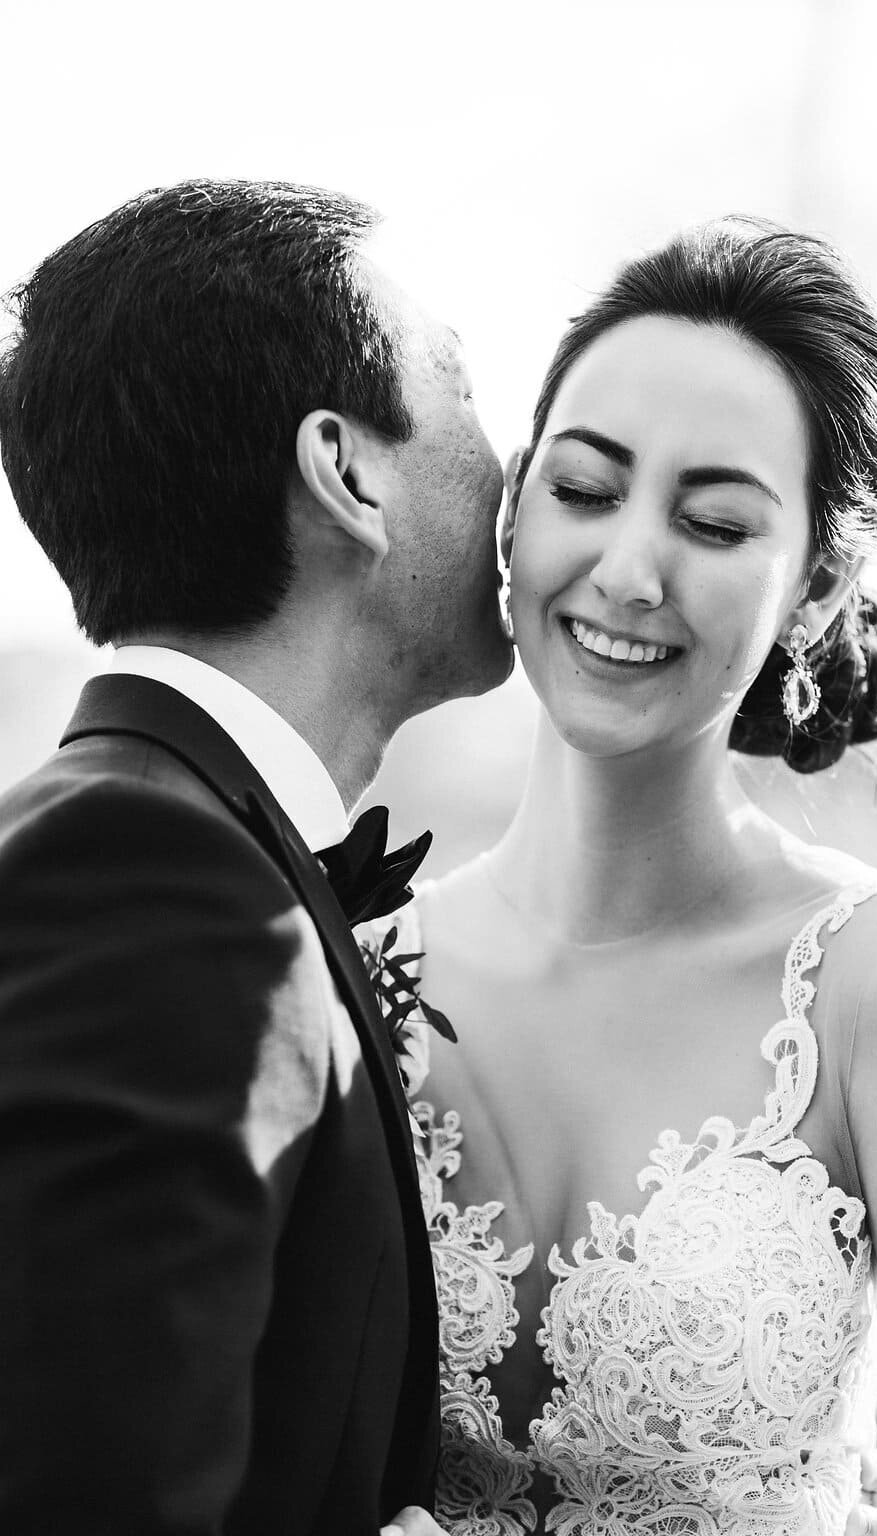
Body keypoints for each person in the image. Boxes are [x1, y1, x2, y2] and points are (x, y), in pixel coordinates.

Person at [363, 219, 877, 1535]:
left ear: (818, 580)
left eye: (714, 521)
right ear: (512, 509)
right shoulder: (357, 964)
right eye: (587, 488)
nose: (629, 571)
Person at [0, 179, 512, 1534]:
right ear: (346, 472)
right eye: (463, 386)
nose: (511, 463)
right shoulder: (156, 888)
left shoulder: (160, 842)